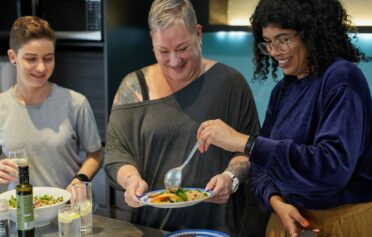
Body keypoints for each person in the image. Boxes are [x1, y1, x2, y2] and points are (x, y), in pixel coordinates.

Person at [197, 0, 372, 236]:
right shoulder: (283, 90)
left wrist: (245, 142)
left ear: (311, 34)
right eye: (268, 43)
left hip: (342, 221)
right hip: (287, 217)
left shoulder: (342, 79)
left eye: (283, 39)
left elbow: (331, 167)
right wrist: (276, 202)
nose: (274, 52)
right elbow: (260, 167)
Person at [103, 0, 267, 236]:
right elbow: (116, 153)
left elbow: (250, 149)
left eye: (182, 48)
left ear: (198, 34)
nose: (174, 61)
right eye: (163, 51)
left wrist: (230, 177)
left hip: (217, 228)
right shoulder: (133, 87)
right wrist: (130, 180)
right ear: (152, 40)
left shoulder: (231, 84)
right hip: (153, 228)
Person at [0, 16, 103, 192]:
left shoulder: (76, 103)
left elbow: (96, 154)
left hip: (68, 211)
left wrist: (81, 179)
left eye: (48, 58)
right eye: (31, 59)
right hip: (21, 213)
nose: (41, 68)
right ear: (13, 57)